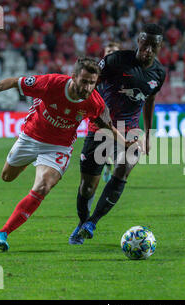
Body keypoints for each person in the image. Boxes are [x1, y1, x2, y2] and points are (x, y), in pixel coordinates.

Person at [0, 57, 134, 251]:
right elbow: (13, 81)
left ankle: (2, 234)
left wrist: (124, 142)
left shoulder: (94, 102)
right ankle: (29, 161)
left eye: (92, 83)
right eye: (84, 81)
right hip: (30, 137)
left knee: (43, 186)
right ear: (74, 77)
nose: (87, 87)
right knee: (7, 177)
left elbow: (106, 124)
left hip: (58, 147)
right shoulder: (51, 83)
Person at [69, 24, 166, 245]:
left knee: (124, 169)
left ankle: (92, 222)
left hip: (131, 130)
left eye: (154, 45)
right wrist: (97, 112)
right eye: (145, 44)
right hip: (102, 127)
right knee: (87, 187)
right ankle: (82, 223)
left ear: (160, 46)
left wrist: (148, 136)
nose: (148, 50)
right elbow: (91, 86)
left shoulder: (159, 73)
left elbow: (150, 100)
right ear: (138, 42)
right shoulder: (115, 61)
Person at [101, 41, 121, 183]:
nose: (111, 55)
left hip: (120, 117)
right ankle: (107, 164)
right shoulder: (96, 73)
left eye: (114, 52)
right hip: (100, 116)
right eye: (108, 52)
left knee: (119, 150)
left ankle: (114, 174)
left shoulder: (125, 74)